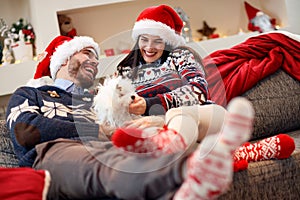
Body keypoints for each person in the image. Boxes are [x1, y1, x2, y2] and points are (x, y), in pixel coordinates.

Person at [5, 34, 256, 199]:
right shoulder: (31, 93)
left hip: (113, 144)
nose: (94, 60)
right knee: (107, 164)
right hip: (54, 151)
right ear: (64, 59)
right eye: (86, 53)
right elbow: (26, 131)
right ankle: (189, 170)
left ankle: (214, 156)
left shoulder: (99, 100)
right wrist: (101, 130)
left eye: (96, 56)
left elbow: (126, 128)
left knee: (183, 122)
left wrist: (152, 122)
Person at [115, 4, 227, 143]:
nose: (149, 47)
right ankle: (175, 154)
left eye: (157, 41)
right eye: (144, 39)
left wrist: (150, 105)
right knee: (135, 129)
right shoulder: (124, 70)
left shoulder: (179, 55)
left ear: (167, 42)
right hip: (155, 127)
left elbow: (198, 91)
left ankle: (167, 143)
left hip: (204, 116)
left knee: (175, 115)